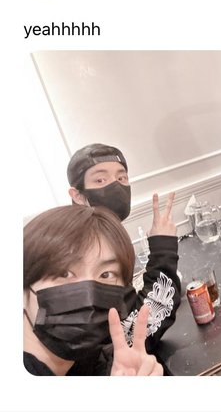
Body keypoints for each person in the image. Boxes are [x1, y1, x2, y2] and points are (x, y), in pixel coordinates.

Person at [24, 205, 168, 375]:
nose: (89, 297)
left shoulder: (94, 354)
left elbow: (151, 316)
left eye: (106, 274)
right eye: (65, 273)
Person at [66, 143, 181, 349]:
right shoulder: (88, 249)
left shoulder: (100, 233)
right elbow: (137, 332)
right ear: (78, 196)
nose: (115, 186)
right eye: (100, 180)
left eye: (121, 178)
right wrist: (163, 247)